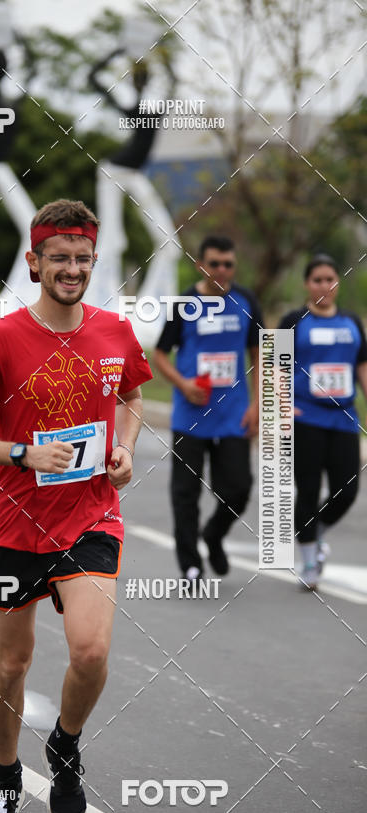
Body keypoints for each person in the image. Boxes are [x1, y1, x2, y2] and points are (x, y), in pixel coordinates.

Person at [0, 199, 153, 813]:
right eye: (57, 258)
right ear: (33, 263)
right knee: (13, 664)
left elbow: (134, 397)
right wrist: (22, 453)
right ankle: (6, 779)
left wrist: (125, 452)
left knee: (90, 650)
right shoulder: (1, 338)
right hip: (14, 523)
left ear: (95, 262)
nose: (71, 269)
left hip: (91, 516)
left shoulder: (115, 332)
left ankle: (64, 745)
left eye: (81, 259)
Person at [153, 235, 264, 582]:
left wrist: (258, 404)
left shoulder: (246, 301)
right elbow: (159, 355)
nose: (221, 270)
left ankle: (213, 535)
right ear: (201, 265)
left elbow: (258, 353)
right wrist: (183, 384)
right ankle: (190, 565)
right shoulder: (185, 303)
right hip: (191, 417)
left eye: (228, 264)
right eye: (214, 263)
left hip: (233, 415)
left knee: (239, 488)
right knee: (185, 495)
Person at [278, 254, 367, 590]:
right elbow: (276, 368)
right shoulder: (293, 321)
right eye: (317, 280)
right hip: (307, 417)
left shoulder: (351, 322)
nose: (324, 286)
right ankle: (310, 562)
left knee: (347, 490)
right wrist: (284, 408)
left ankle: (317, 530)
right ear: (307, 283)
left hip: (344, 417)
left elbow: (362, 368)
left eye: (330, 279)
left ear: (337, 283)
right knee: (309, 489)